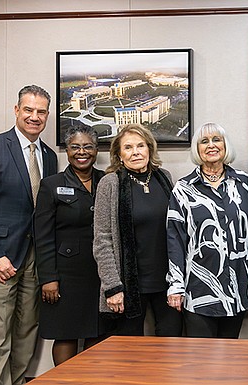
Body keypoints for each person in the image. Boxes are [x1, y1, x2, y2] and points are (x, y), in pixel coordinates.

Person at [0, 85, 58, 385]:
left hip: (32, 259)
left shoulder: (49, 156)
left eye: (41, 112)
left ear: (47, 115)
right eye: (28, 110)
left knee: (27, 331)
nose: (34, 117)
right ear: (16, 110)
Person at [166, 123, 248, 338]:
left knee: (230, 357)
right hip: (199, 288)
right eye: (204, 141)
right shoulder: (183, 188)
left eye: (217, 140)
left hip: (237, 286)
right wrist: (175, 285)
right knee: (201, 361)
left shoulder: (244, 183)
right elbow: (175, 239)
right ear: (197, 149)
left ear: (225, 146)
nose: (211, 145)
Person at [93, 123, 182, 337]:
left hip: (167, 283)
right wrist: (112, 287)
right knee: (129, 354)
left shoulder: (164, 178)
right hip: (128, 285)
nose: (135, 152)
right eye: (128, 147)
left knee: (172, 346)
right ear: (118, 154)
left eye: (140, 146)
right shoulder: (110, 183)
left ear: (149, 149)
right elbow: (102, 240)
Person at [34, 126, 104, 365]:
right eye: (75, 147)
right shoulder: (51, 185)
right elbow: (42, 236)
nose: (81, 152)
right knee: (66, 334)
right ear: (67, 150)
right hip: (66, 275)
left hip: (100, 273)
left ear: (96, 151)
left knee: (97, 332)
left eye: (88, 146)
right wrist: (48, 278)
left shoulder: (107, 181)